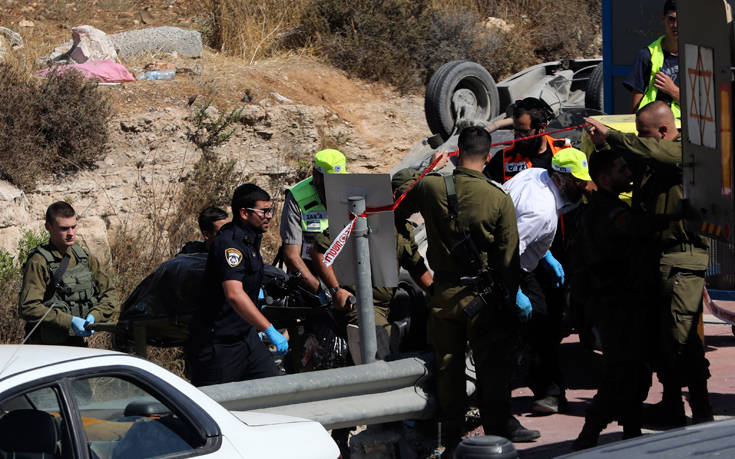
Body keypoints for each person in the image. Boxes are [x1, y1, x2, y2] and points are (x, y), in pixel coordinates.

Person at [395, 126, 538, 452]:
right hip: (485, 299)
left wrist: (428, 167)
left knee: (447, 367)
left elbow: (398, 192)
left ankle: (451, 437)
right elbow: (508, 258)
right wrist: (509, 297)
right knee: (493, 368)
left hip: (444, 294)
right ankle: (496, 434)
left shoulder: (431, 187)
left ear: (457, 153)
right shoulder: (498, 196)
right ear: (488, 157)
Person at [585, 101, 713, 426]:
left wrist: (613, 135)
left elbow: (657, 154)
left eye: (645, 134)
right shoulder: (655, 157)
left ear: (665, 131)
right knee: (662, 340)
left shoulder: (686, 152)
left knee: (683, 338)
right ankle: (672, 405)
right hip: (658, 259)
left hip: (683, 258)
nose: (642, 140)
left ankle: (701, 414)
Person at [571, 149, 671, 449]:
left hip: (619, 303)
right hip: (618, 305)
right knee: (622, 372)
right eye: (621, 170)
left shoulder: (601, 208)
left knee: (634, 372)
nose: (627, 175)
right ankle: (590, 433)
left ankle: (631, 431)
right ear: (603, 178)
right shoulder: (609, 213)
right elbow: (643, 229)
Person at [504, 148, 591, 414]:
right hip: (510, 267)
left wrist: (545, 255)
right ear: (561, 178)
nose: (584, 187)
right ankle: (545, 392)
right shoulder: (541, 212)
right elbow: (508, 252)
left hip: (524, 257)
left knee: (543, 324)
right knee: (538, 326)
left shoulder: (533, 175)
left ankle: (547, 390)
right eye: (578, 182)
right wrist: (516, 291)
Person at [187, 183, 287, 386]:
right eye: (264, 211)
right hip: (219, 344)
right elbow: (234, 294)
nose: (269, 216)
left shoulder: (250, 240)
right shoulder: (229, 244)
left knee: (275, 391)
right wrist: (268, 329)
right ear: (244, 213)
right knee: (217, 407)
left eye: (271, 211)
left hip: (246, 336)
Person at [18, 201, 119, 346]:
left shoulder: (83, 257)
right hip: (46, 346)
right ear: (48, 227)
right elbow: (28, 307)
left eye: (74, 227)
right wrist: (69, 321)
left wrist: (94, 316)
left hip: (78, 343)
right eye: (64, 228)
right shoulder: (39, 262)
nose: (71, 233)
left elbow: (110, 294)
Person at [279, 149, 352, 309]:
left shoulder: (352, 191)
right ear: (316, 176)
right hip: (311, 279)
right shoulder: (297, 196)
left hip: (347, 278)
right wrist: (324, 294)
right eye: (331, 182)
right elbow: (292, 257)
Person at [484, 97, 570, 184]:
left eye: (524, 132)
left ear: (542, 128)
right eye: (516, 131)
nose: (518, 137)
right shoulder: (503, 158)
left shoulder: (564, 152)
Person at [623, 0, 680, 116]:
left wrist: (673, 91)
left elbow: (702, 106)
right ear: (663, 19)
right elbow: (636, 106)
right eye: (671, 19)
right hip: (654, 129)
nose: (675, 25)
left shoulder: (698, 57)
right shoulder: (646, 55)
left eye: (680, 19)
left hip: (686, 128)